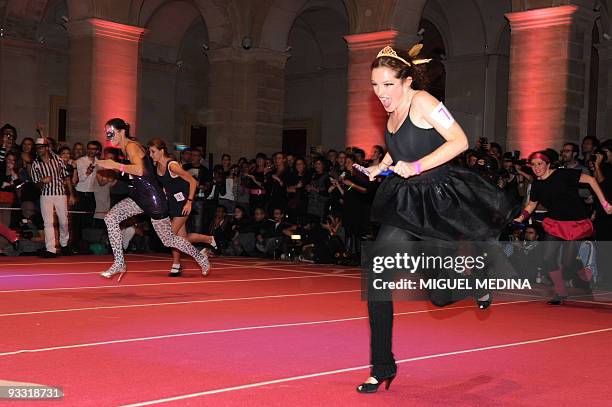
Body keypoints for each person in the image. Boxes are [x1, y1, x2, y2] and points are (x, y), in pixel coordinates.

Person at [357, 44, 518, 393]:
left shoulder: (425, 102)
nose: (380, 93)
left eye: (387, 85)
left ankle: (476, 284)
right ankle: (382, 366)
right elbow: (397, 148)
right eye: (374, 85)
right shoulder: (392, 113)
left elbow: (459, 141)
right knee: (378, 277)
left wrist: (414, 167)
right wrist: (379, 166)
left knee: (440, 297)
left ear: (407, 80)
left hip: (438, 204)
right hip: (405, 206)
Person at [95, 118, 210, 280]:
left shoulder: (131, 146)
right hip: (139, 196)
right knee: (111, 218)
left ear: (121, 132)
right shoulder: (125, 148)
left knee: (168, 240)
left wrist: (113, 165)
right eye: (107, 133)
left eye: (111, 132)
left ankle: (199, 256)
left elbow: (139, 170)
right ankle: (119, 262)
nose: (109, 136)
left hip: (152, 199)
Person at [513, 151, 612, 304]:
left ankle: (583, 273)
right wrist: (521, 217)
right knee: (547, 258)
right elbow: (532, 204)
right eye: (533, 165)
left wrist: (605, 203)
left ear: (547, 164)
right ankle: (560, 292)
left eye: (539, 164)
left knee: (568, 262)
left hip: (575, 224)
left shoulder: (562, 174)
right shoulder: (537, 184)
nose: (536, 167)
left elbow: (592, 180)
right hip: (555, 224)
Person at [148, 138, 216, 276]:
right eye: (150, 152)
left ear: (161, 151)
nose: (151, 155)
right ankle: (207, 240)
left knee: (169, 236)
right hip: (172, 204)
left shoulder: (172, 165)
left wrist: (189, 201)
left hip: (183, 204)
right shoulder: (157, 167)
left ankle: (187, 260)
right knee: (181, 238)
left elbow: (192, 181)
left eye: (153, 151)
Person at [30, 136, 76, 258]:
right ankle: (51, 249)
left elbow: (67, 177)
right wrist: (43, 181)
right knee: (48, 222)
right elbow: (35, 184)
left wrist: (71, 194)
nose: (39, 150)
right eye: (37, 148)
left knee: (64, 221)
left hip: (60, 193)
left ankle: (64, 244)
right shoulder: (35, 164)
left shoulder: (57, 159)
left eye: (41, 147)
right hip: (45, 195)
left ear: (46, 148)